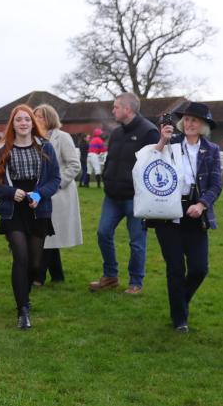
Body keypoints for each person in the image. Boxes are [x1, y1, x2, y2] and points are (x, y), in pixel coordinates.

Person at [150, 102, 221, 332]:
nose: (189, 124)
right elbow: (150, 161)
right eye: (187, 119)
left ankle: (180, 302)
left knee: (199, 268)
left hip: (195, 213)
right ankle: (180, 319)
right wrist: (162, 141)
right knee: (176, 269)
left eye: (195, 120)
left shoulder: (211, 150)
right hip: (168, 211)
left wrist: (202, 204)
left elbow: (216, 185)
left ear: (203, 125)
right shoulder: (171, 142)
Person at [0, 105, 60, 330]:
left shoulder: (45, 147)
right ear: (13, 124)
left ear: (32, 123)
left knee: (35, 263)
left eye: (27, 119)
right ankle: (23, 310)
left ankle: (24, 296)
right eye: (18, 120)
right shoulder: (1, 150)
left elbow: (55, 179)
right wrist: (10, 192)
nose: (23, 123)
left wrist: (40, 193)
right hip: (13, 210)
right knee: (21, 257)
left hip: (37, 208)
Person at [89, 92, 160, 294]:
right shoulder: (116, 133)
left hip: (136, 198)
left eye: (116, 107)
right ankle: (110, 276)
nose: (113, 110)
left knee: (137, 242)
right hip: (112, 196)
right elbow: (111, 159)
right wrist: (107, 179)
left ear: (127, 109)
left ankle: (136, 282)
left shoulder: (149, 132)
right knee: (103, 233)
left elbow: (155, 165)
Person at [33, 105, 82, 285]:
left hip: (59, 194)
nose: (36, 119)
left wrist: (57, 183)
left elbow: (74, 165)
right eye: (35, 116)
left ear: (49, 119)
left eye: (40, 116)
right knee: (48, 233)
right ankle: (57, 275)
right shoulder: (34, 138)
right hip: (40, 193)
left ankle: (38, 276)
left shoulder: (62, 137)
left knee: (47, 234)